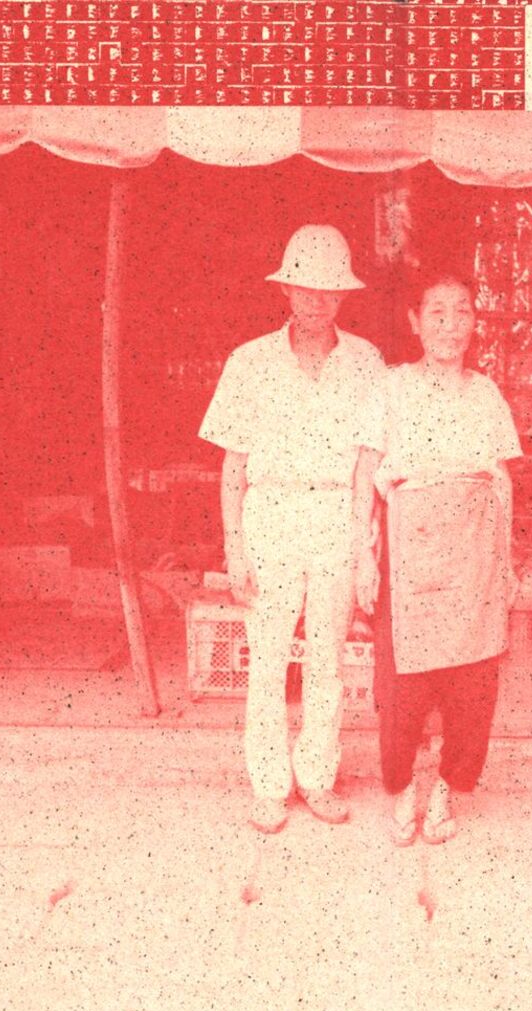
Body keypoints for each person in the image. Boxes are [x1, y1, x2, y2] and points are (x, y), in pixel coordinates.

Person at [199, 225, 386, 834]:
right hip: (271, 515)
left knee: (328, 658)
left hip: (335, 513)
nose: (316, 301)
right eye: (305, 288)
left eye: (328, 290)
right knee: (269, 657)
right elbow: (233, 464)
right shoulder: (250, 362)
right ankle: (269, 785)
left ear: (343, 296)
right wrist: (234, 548)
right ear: (285, 289)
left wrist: (363, 544)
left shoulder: (365, 362)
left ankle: (318, 777)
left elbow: (369, 461)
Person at [369, 272, 522, 846]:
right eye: (437, 312)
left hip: (476, 552)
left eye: (462, 312)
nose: (450, 325)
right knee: (402, 686)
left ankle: (446, 789)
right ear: (415, 321)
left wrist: (506, 562)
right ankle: (403, 787)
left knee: (473, 681)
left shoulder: (486, 394)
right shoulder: (392, 387)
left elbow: (501, 481)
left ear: (474, 323)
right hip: (410, 549)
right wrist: (364, 555)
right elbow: (366, 472)